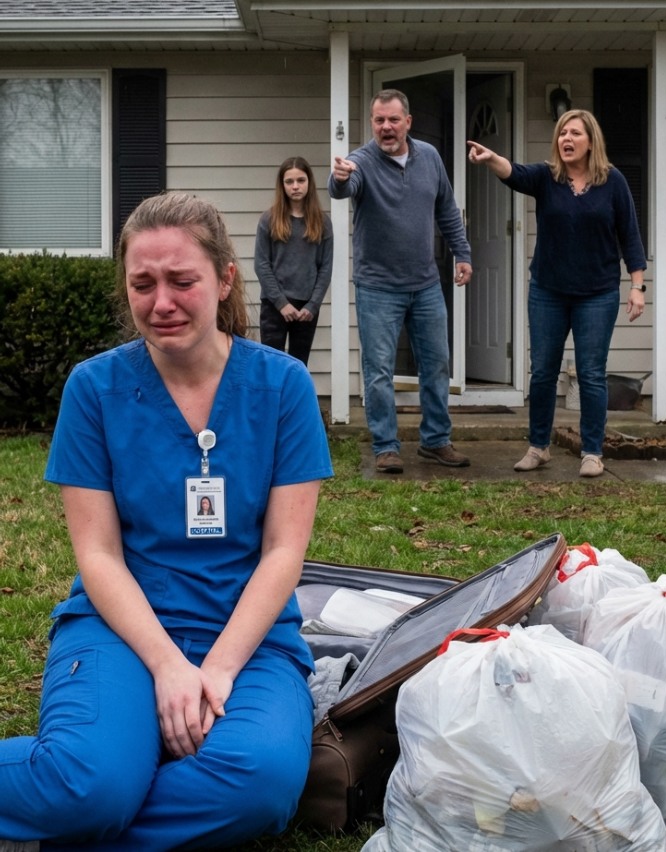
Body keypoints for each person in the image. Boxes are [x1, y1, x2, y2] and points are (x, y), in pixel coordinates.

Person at [0, 192, 333, 851]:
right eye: (142, 284)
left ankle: (68, 826)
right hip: (120, 629)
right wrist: (168, 667)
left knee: (260, 783)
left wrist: (218, 669)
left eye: (183, 281)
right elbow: (97, 555)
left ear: (225, 278)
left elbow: (282, 554)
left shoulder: (283, 386)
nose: (161, 303)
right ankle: (93, 796)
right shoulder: (93, 389)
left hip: (249, 637)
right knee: (89, 783)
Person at [468, 109, 647, 478]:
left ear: (590, 141)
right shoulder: (547, 178)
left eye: (575, 133)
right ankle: (538, 447)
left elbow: (630, 235)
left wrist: (637, 286)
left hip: (597, 294)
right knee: (543, 372)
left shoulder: (612, 182)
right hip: (548, 291)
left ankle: (592, 453)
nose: (566, 139)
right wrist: (491, 160)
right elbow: (513, 172)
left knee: (591, 374)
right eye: (562, 133)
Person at [329, 89, 473, 474]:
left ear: (408, 122)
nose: (386, 127)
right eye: (379, 120)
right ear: (372, 123)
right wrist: (339, 178)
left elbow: (446, 208)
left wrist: (463, 253)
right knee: (378, 372)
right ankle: (386, 446)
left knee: (437, 363)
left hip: (425, 283)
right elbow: (343, 188)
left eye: (393, 119)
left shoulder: (430, 157)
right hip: (378, 286)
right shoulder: (361, 161)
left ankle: (436, 440)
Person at [255, 156, 333, 366]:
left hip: (306, 308)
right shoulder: (269, 220)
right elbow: (262, 265)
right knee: (272, 365)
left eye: (301, 180)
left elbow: (325, 267)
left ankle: (295, 401)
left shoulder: (322, 222)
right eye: (289, 182)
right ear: (282, 185)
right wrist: (282, 304)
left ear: (309, 183)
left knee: (299, 366)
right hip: (274, 305)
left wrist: (313, 305)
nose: (295, 186)